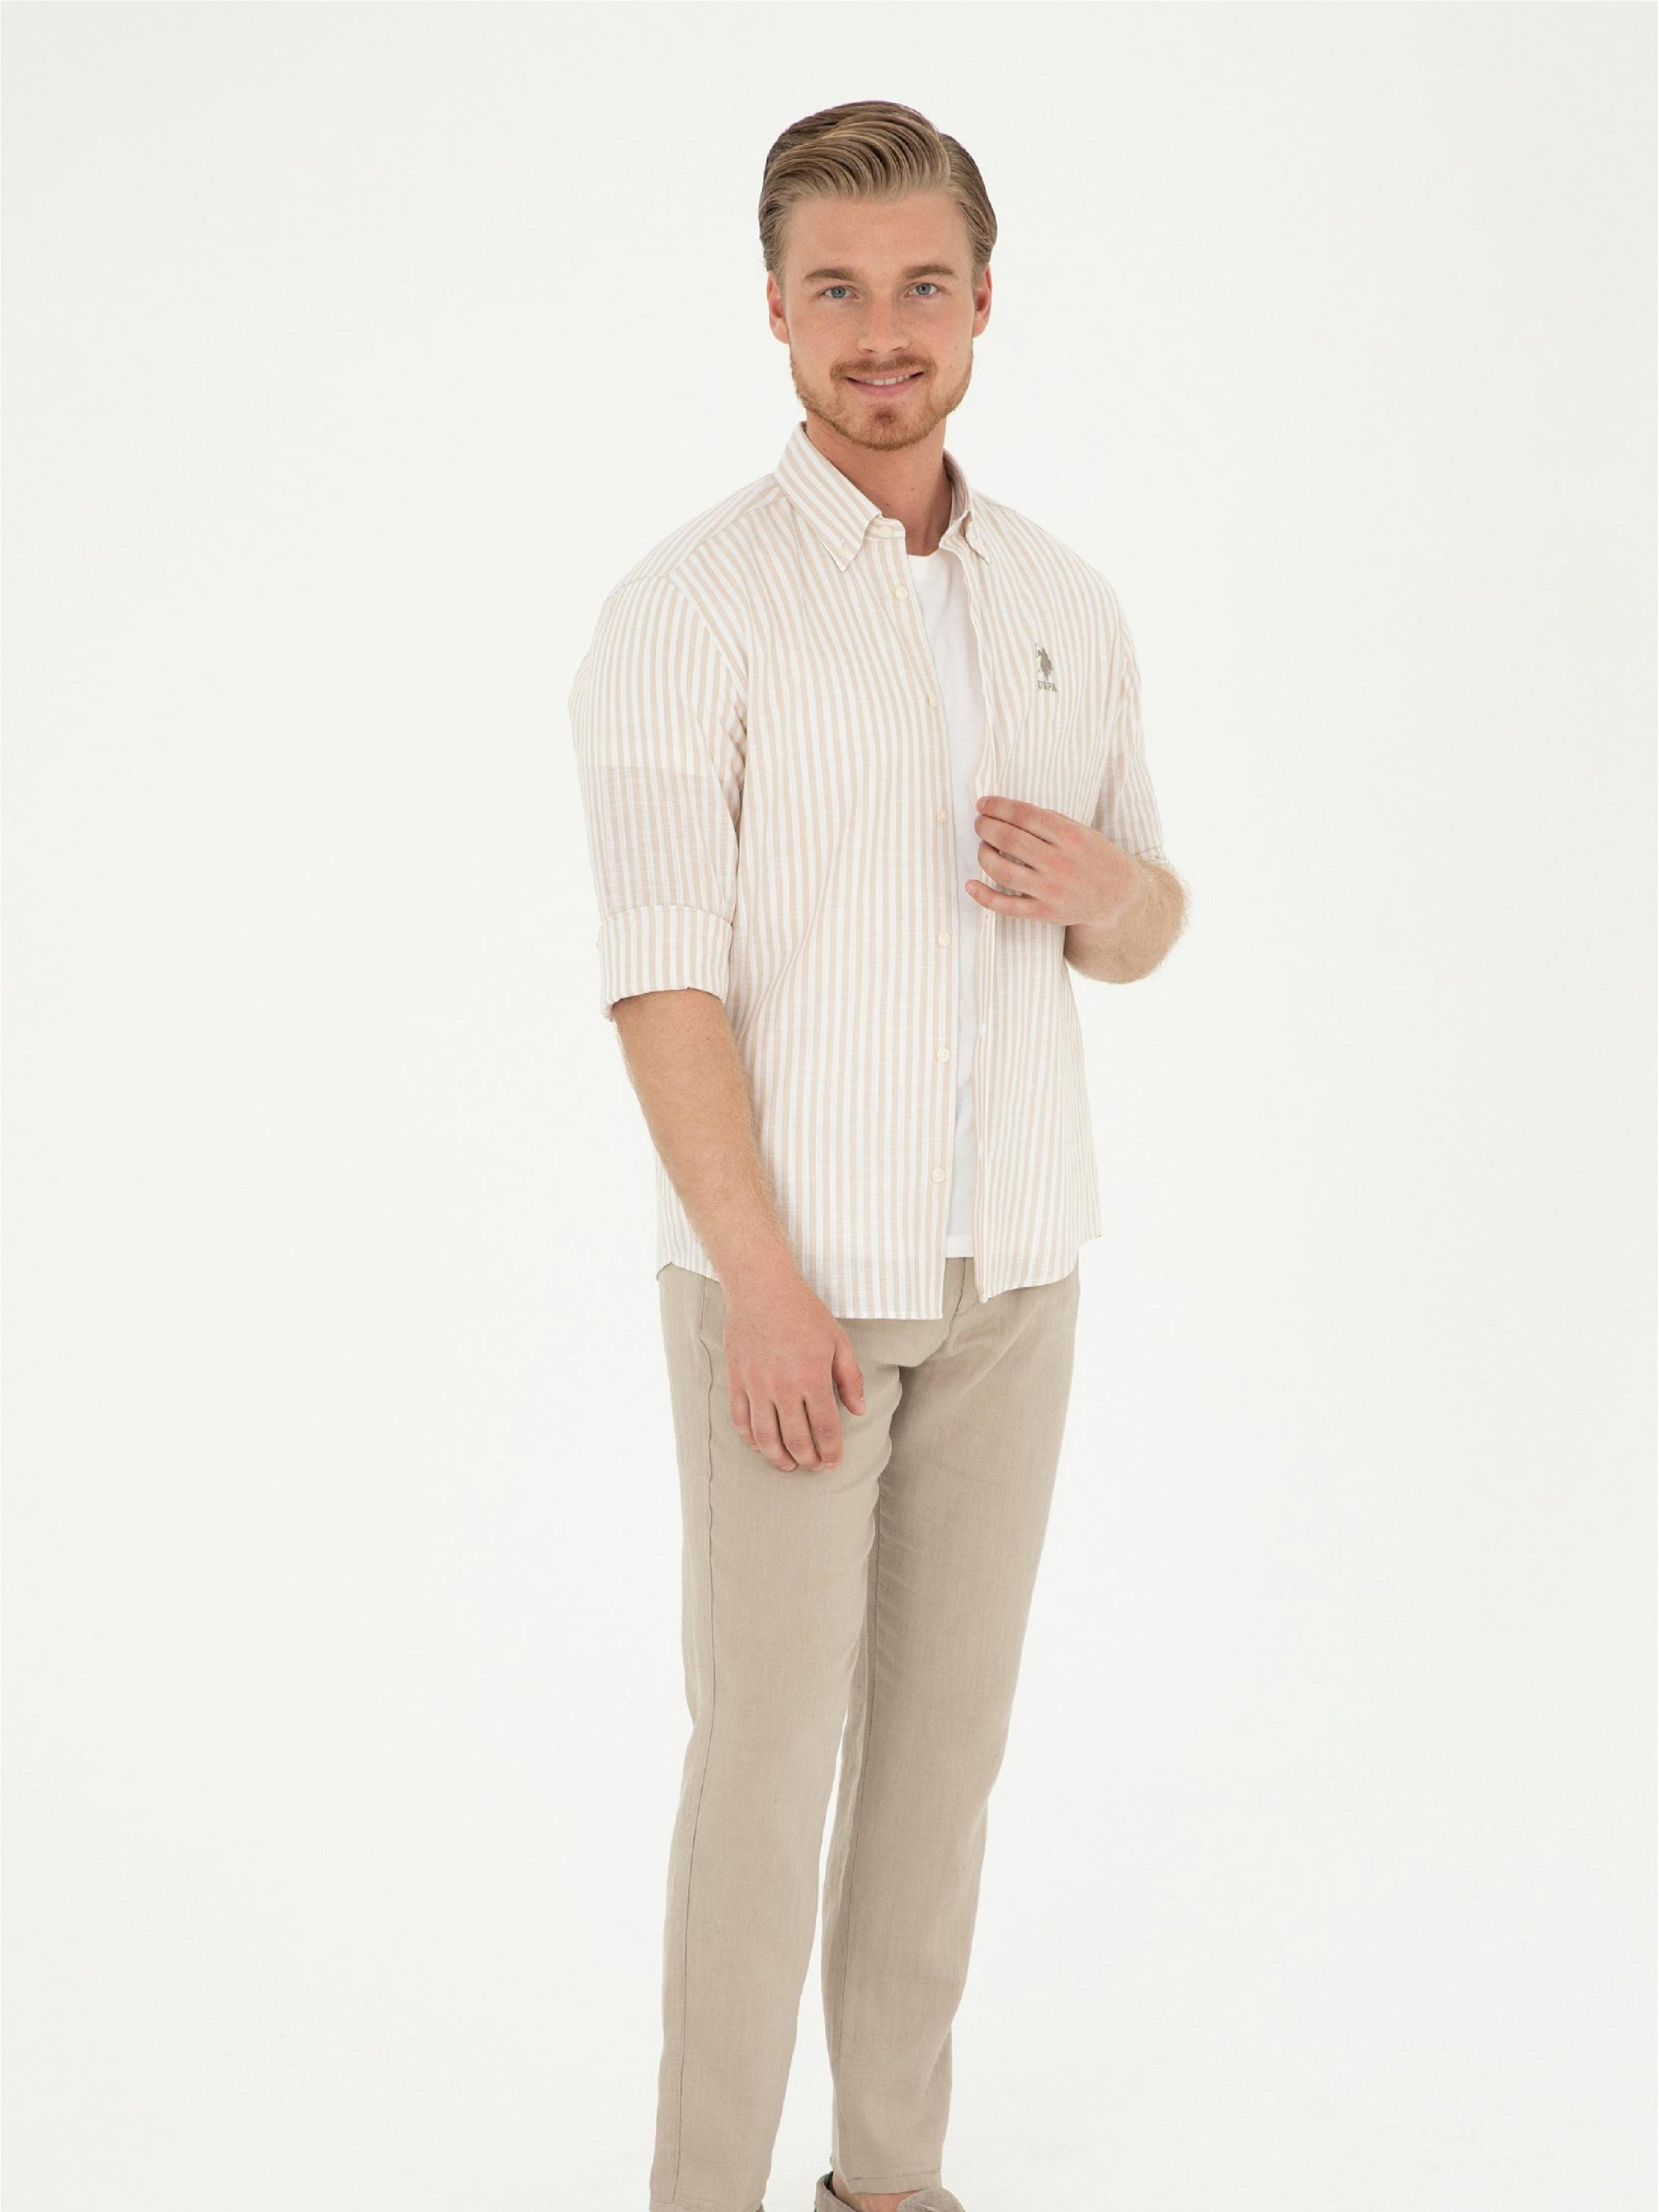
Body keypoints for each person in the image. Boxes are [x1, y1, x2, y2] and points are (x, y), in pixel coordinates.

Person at [569, 96, 1188, 2212]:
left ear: (985, 300)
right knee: (762, 1774)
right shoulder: (687, 610)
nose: (881, 328)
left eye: (922, 283)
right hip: (792, 1286)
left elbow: (1146, 924)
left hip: (1015, 1271)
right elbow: (662, 974)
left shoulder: (1063, 599)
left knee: (940, 1773)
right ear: (772, 310)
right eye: (835, 288)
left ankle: (888, 2182)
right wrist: (757, 1282)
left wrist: (1109, 887)